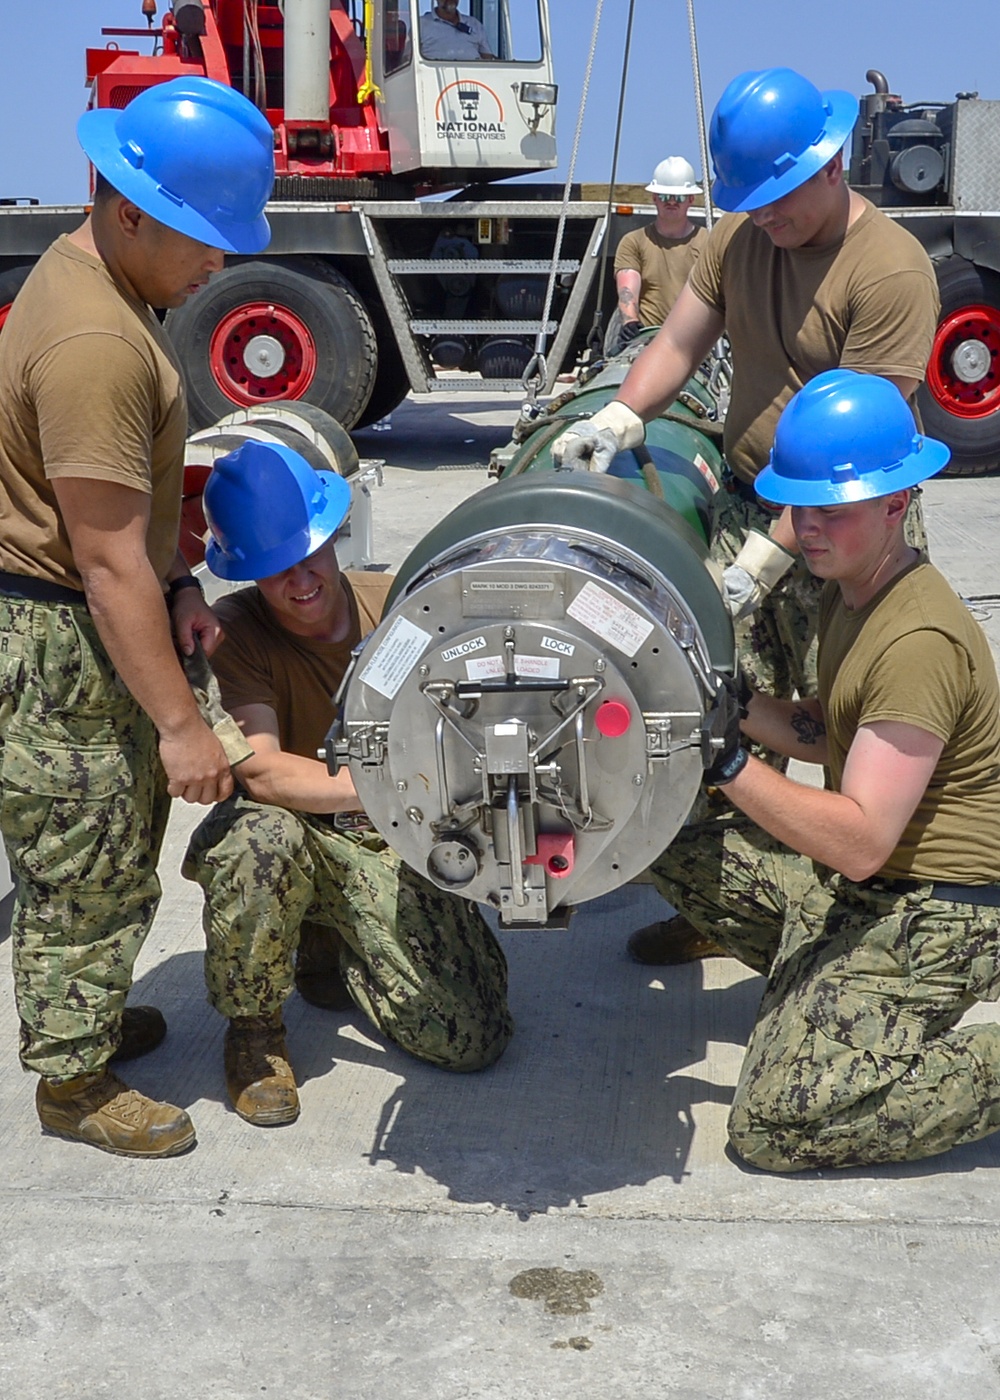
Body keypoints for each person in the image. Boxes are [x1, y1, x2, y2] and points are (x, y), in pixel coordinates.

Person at [553, 66, 940, 966]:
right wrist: (622, 415)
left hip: (849, 529)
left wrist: (772, 560)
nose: (766, 216)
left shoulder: (890, 271)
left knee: (847, 716)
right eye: (752, 201)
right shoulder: (740, 237)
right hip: (750, 500)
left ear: (831, 163)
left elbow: (856, 457)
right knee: (725, 705)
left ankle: (867, 918)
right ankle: (733, 905)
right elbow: (681, 338)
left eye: (780, 197)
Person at [0, 76, 275, 1158]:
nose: (218, 264)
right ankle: (71, 1080)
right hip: (63, 635)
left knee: (110, 850)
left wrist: (176, 583)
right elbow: (104, 561)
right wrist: (179, 724)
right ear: (131, 210)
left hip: (88, 615)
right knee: (85, 861)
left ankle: (90, 1012)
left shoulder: (99, 293)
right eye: (203, 240)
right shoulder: (96, 344)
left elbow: (130, 555)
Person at [647, 369, 1000, 1172]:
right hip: (874, 884)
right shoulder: (854, 588)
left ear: (895, 503)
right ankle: (822, 988)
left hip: (945, 905)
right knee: (668, 838)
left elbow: (862, 841)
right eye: (798, 507)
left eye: (830, 512)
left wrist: (730, 759)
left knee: (776, 1124)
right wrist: (731, 705)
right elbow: (824, 726)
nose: (807, 528)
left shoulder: (918, 642)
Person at [181, 440, 513, 1127]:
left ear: (333, 537)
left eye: (309, 555)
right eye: (274, 570)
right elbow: (263, 769)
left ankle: (336, 944)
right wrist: (388, 792)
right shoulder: (237, 637)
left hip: (398, 836)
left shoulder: (399, 607)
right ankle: (254, 1031)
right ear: (245, 572)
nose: (299, 579)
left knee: (470, 1038)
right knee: (255, 839)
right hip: (306, 828)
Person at [610, 157, 708, 355]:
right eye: (665, 196)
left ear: (691, 199)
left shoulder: (708, 243)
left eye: (678, 197)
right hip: (645, 341)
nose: (672, 202)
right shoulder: (634, 241)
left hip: (697, 341)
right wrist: (631, 322)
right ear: (654, 197)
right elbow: (627, 287)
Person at [419, 0, 495, 60]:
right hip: (431, 76)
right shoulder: (420, 24)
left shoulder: (474, 24)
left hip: (472, 77)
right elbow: (409, 57)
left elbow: (487, 58)